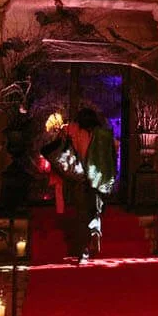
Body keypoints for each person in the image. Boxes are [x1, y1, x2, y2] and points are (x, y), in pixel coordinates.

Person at [56, 107, 119, 261]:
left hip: (81, 178)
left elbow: (66, 147)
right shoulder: (103, 135)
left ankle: (83, 250)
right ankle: (95, 232)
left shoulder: (77, 132)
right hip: (98, 179)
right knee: (95, 210)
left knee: (81, 214)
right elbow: (116, 146)